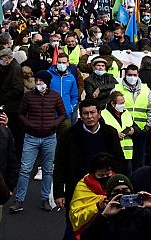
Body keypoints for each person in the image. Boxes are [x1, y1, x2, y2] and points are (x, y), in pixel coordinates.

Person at [54, 99, 125, 239]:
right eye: (85, 113)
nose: (89, 117)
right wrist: (58, 193)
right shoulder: (69, 135)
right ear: (81, 115)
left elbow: (120, 162)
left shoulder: (110, 133)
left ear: (99, 114)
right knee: (74, 226)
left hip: (105, 191)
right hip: (76, 191)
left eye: (92, 113)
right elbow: (60, 164)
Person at [10, 71, 67, 213]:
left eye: (41, 81)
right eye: (37, 81)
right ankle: (19, 200)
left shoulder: (55, 96)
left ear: (47, 83)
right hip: (31, 137)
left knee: (48, 170)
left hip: (49, 137)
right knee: (24, 170)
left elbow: (63, 114)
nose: (38, 83)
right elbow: (21, 114)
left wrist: (54, 125)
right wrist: (28, 125)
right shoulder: (28, 96)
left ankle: (45, 199)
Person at [81, 175, 151, 240]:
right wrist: (103, 216)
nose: (122, 195)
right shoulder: (105, 217)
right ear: (109, 196)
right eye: (116, 192)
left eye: (126, 191)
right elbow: (86, 237)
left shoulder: (143, 214)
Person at [114, 65, 151, 172]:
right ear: (125, 75)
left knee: (139, 160)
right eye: (130, 75)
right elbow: (112, 108)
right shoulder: (117, 88)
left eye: (134, 75)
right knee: (124, 160)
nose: (132, 77)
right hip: (124, 130)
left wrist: (147, 125)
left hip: (141, 130)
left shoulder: (145, 89)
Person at [68, 153, 117, 239]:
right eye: (101, 175)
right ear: (93, 173)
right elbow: (75, 217)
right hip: (91, 232)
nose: (105, 177)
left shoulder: (117, 183)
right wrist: (97, 206)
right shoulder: (83, 187)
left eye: (108, 174)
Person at [49, 53, 80, 127]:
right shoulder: (48, 75)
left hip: (65, 115)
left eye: (63, 62)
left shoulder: (71, 77)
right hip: (50, 115)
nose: (61, 64)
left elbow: (74, 96)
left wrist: (70, 108)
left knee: (66, 137)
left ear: (68, 64)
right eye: (59, 62)